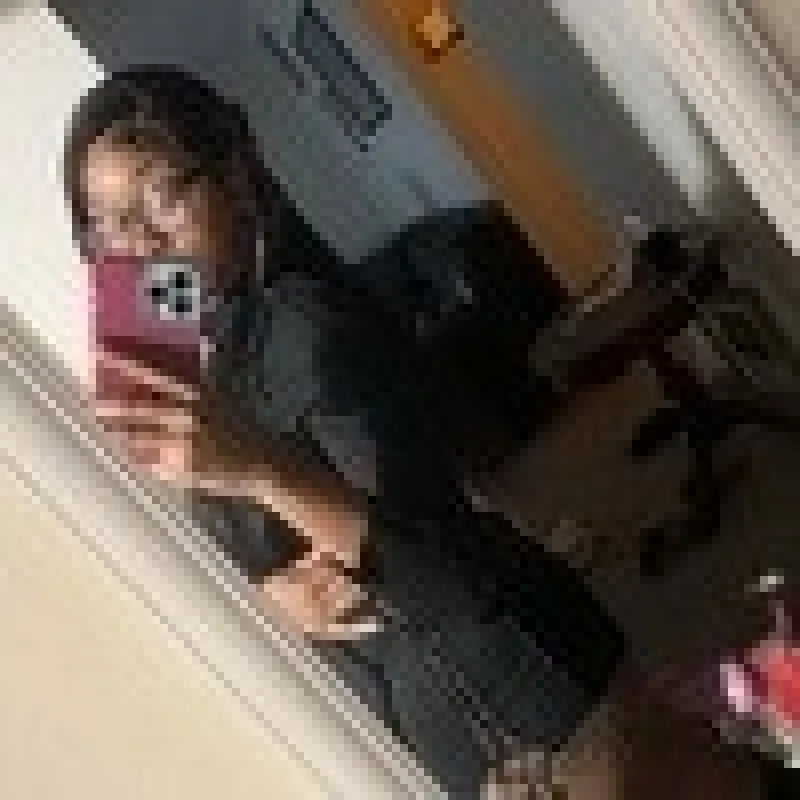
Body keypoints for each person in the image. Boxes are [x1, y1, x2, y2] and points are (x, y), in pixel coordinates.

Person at [63, 65, 758, 798]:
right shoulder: (208, 359)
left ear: (234, 171)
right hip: (459, 737)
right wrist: (271, 598)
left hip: (532, 713)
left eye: (162, 196)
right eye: (108, 222)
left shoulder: (303, 327)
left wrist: (259, 472)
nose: (142, 244)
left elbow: (439, 564)